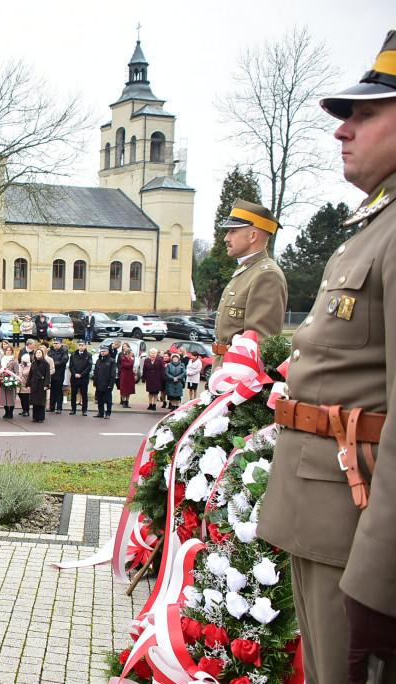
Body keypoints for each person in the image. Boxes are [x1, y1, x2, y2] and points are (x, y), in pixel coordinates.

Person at [259, 32, 396, 684]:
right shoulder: (373, 227)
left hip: (361, 536)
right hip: (325, 511)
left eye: (366, 113)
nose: (343, 129)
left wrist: (381, 576)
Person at [212, 199, 288, 365]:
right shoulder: (247, 271)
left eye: (233, 231)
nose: (226, 238)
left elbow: (260, 345)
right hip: (224, 370)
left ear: (253, 236)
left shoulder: (266, 275)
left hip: (239, 377)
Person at [0, 340, 20, 419]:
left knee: (11, 398)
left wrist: (11, 376)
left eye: (10, 350)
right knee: (4, 397)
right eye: (7, 350)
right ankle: (6, 411)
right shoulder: (2, 359)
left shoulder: (14, 361)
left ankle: (11, 412)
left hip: (11, 381)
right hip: (2, 380)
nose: (8, 352)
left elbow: (16, 372)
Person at [26, 347, 50, 423]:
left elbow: (47, 375)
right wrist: (28, 384)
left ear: (42, 354)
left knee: (41, 402)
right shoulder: (33, 363)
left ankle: (41, 417)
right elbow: (30, 374)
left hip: (41, 384)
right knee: (34, 401)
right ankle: (35, 417)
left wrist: (46, 384)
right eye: (37, 353)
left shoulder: (46, 364)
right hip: (34, 384)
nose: (38, 354)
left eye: (39, 353)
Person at [92, 344, 116, 419]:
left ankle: (108, 413)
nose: (102, 352)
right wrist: (95, 382)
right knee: (100, 399)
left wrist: (110, 384)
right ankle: (101, 412)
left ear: (108, 351)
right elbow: (96, 372)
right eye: (101, 351)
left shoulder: (111, 361)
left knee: (108, 399)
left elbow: (113, 374)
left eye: (104, 351)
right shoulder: (98, 360)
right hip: (99, 383)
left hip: (107, 383)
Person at [69, 340, 92, 416]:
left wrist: (82, 374)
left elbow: (89, 367)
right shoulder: (73, 355)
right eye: (79, 345)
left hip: (83, 378)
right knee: (73, 394)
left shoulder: (88, 355)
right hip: (74, 378)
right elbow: (71, 366)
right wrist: (75, 374)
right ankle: (73, 409)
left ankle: (84, 410)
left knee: (84, 394)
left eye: (82, 345)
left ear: (85, 346)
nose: (81, 347)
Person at [47, 338, 69, 413]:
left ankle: (59, 408)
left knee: (59, 391)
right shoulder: (50, 351)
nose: (55, 345)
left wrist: (53, 364)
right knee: (52, 391)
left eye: (57, 343)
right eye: (55, 343)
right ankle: (51, 406)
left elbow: (63, 361)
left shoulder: (64, 351)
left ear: (61, 344)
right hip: (51, 374)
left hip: (59, 374)